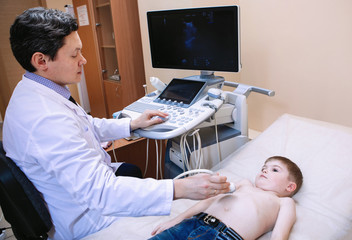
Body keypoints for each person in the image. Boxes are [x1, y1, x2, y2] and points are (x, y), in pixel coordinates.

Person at [3, 7, 231, 240]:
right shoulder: (44, 119)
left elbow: (84, 124)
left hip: (80, 197)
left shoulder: (35, 90)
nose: (84, 60)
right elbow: (101, 194)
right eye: (74, 55)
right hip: (91, 221)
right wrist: (180, 188)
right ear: (41, 60)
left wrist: (131, 124)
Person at [150, 156, 303, 240]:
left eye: (274, 170)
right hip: (193, 222)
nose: (265, 171)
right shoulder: (245, 184)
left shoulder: (284, 202)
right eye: (263, 168)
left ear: (289, 187)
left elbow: (279, 235)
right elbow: (210, 201)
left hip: (225, 235)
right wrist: (176, 220)